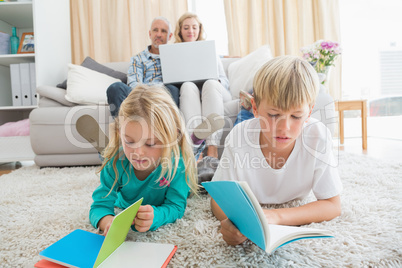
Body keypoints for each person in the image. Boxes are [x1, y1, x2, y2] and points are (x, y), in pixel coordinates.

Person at [210, 55, 342, 246]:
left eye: (296, 116)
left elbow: (332, 205)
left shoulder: (317, 136)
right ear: (254, 107)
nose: (284, 128)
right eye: (273, 115)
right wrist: (235, 224)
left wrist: (276, 216)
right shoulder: (239, 136)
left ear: (309, 112)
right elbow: (218, 200)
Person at [89, 84, 198, 235]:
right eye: (129, 141)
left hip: (179, 172)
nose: (138, 153)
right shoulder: (115, 162)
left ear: (172, 137)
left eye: (150, 143)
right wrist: (108, 222)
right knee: (109, 155)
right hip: (125, 201)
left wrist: (157, 216)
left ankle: (197, 146)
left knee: (194, 184)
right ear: (120, 134)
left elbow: (176, 206)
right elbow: (99, 206)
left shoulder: (177, 163)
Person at [175, 12, 232, 163]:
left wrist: (213, 80)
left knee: (211, 83)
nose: (190, 31)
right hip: (192, 93)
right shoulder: (175, 52)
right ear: (180, 30)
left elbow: (224, 80)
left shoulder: (209, 49)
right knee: (187, 86)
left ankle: (212, 146)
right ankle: (196, 147)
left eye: (194, 27)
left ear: (199, 29)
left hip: (214, 91)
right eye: (186, 28)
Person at [106, 16, 180, 118]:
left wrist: (154, 92)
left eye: (163, 31)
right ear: (150, 34)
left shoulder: (174, 58)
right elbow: (133, 84)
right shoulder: (138, 59)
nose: (158, 34)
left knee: (173, 89)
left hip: (162, 98)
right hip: (139, 96)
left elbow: (174, 83)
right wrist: (149, 94)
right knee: (115, 87)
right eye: (155, 30)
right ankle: (124, 129)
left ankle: (167, 130)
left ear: (170, 36)